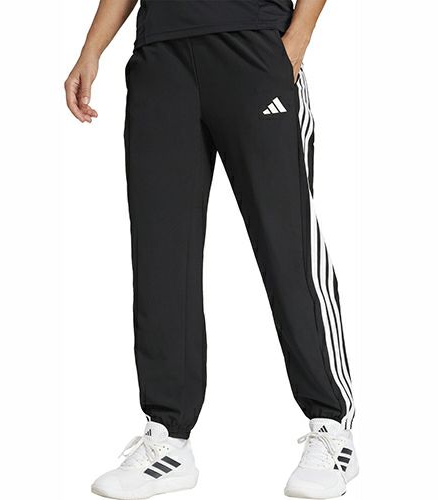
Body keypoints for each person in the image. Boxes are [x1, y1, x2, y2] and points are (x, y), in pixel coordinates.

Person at [65, 0, 358, 498]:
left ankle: (331, 427)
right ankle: (168, 438)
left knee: (286, 242)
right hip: (161, 57)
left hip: (252, 45)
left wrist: (295, 42)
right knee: (160, 254)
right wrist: (92, 49)